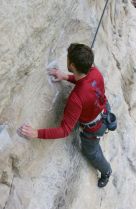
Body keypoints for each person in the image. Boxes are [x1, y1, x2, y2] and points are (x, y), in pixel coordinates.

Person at [18, 43, 112, 188]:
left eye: (68, 59)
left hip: (94, 127)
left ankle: (106, 171)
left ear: (72, 65)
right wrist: (65, 76)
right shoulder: (95, 71)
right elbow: (84, 80)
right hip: (104, 108)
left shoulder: (76, 99)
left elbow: (64, 130)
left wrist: (36, 133)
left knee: (91, 152)